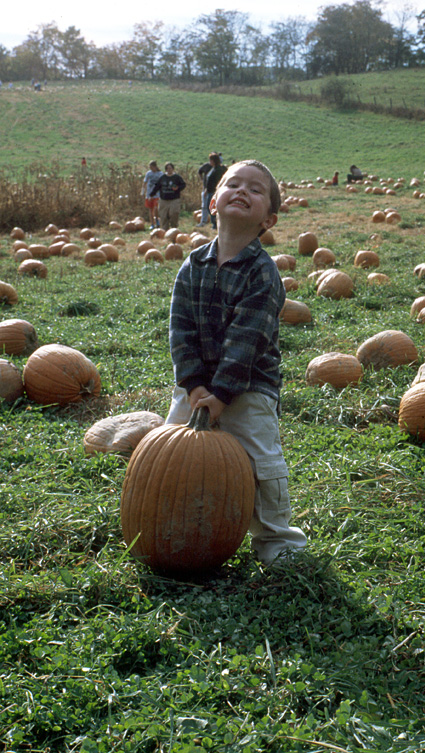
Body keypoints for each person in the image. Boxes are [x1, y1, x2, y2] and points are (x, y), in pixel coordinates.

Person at [166, 159, 307, 566]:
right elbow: (181, 332)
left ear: (269, 219)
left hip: (248, 389)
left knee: (263, 464)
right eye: (233, 184)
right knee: (173, 455)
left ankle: (276, 539)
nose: (242, 191)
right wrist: (193, 386)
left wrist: (222, 393)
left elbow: (248, 341)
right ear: (213, 202)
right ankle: (175, 522)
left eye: (256, 190)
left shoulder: (264, 275)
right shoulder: (192, 265)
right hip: (193, 390)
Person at [150, 162, 186, 230]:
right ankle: (165, 230)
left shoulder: (177, 177)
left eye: (170, 168)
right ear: (166, 170)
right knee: (163, 216)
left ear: (173, 169)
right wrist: (151, 195)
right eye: (167, 168)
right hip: (163, 200)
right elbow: (157, 186)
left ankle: (174, 228)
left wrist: (178, 188)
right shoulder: (162, 177)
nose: (169, 170)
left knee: (174, 214)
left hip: (174, 199)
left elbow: (183, 185)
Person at [205, 152, 227, 229]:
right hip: (210, 191)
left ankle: (216, 224)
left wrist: (216, 191)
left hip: (214, 192)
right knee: (209, 207)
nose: (209, 162)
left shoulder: (218, 170)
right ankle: (214, 223)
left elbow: (218, 181)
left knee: (213, 208)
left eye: (210, 160)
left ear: (214, 160)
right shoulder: (213, 168)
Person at [141, 160, 162, 229]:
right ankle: (152, 224)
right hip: (149, 194)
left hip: (157, 194)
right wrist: (143, 191)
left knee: (156, 207)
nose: (151, 169)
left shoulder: (160, 173)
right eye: (150, 167)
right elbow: (145, 182)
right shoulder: (148, 173)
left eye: (151, 167)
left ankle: (157, 220)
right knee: (150, 209)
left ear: (155, 167)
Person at [196, 156, 213, 227]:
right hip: (205, 188)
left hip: (214, 189)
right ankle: (203, 221)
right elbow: (200, 171)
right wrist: (202, 180)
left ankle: (214, 223)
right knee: (204, 206)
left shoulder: (217, 168)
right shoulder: (206, 166)